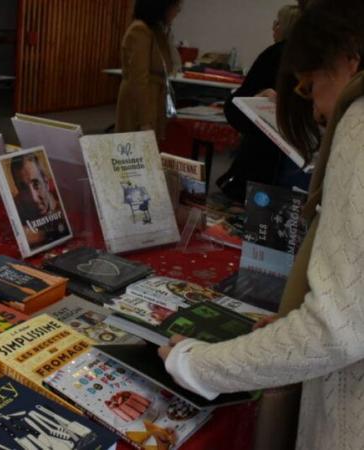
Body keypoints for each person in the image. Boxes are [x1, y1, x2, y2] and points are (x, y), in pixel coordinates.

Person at [158, 2, 364, 450]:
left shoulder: (360, 120)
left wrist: (196, 364)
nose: (315, 113)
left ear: (348, 59)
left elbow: (337, 328)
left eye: (310, 89)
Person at [217, 4, 305, 202]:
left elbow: (236, 107)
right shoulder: (308, 58)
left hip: (264, 162)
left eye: (277, 23)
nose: (273, 27)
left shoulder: (275, 54)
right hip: (294, 163)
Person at [115, 0, 182, 138]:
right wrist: (144, 120)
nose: (178, 11)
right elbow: (138, 79)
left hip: (152, 99)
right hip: (140, 103)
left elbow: (173, 64)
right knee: (136, 151)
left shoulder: (157, 31)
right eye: (175, 6)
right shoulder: (140, 30)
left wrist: (168, 33)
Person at [10, 154, 69, 247]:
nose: (34, 198)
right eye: (24, 188)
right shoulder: (15, 207)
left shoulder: (63, 197)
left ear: (46, 182)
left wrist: (41, 235)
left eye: (36, 184)